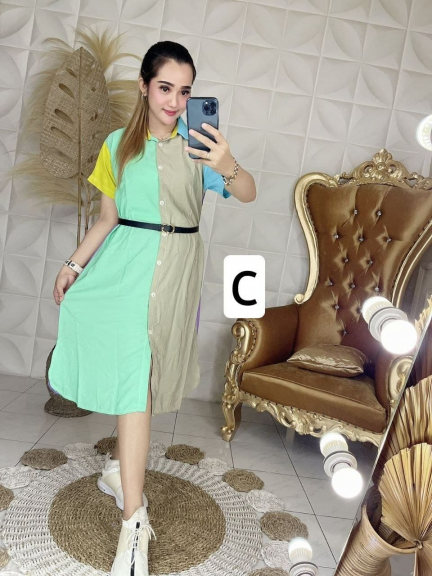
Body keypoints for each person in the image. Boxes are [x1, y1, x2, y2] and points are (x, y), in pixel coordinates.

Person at [48, 40, 256, 576]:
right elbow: (107, 218)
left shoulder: (200, 146)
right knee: (134, 379)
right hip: (124, 270)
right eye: (165, 88)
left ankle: (120, 470)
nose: (174, 101)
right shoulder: (116, 145)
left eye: (185, 91)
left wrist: (228, 163)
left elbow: (248, 192)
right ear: (144, 86)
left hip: (176, 271)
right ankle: (133, 521)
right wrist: (73, 265)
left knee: (148, 373)